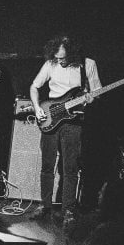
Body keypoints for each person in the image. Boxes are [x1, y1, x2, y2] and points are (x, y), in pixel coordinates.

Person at [29, 34, 102, 223]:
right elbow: (34, 87)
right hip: (51, 116)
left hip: (74, 121)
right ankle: (45, 205)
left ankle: (68, 209)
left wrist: (91, 98)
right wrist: (37, 109)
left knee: (70, 168)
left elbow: (96, 92)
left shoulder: (88, 64)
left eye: (62, 58)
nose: (59, 61)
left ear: (72, 54)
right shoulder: (50, 64)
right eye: (56, 57)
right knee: (47, 166)